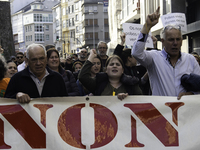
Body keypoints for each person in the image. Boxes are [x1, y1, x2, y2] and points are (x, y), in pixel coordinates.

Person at [131, 7, 200, 99]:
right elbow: (136, 53)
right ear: (163, 41)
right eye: (171, 40)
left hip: (185, 111)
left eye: (178, 39)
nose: (175, 43)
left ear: (182, 41)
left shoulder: (190, 60)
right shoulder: (154, 58)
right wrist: (147, 27)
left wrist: (190, 94)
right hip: (161, 111)